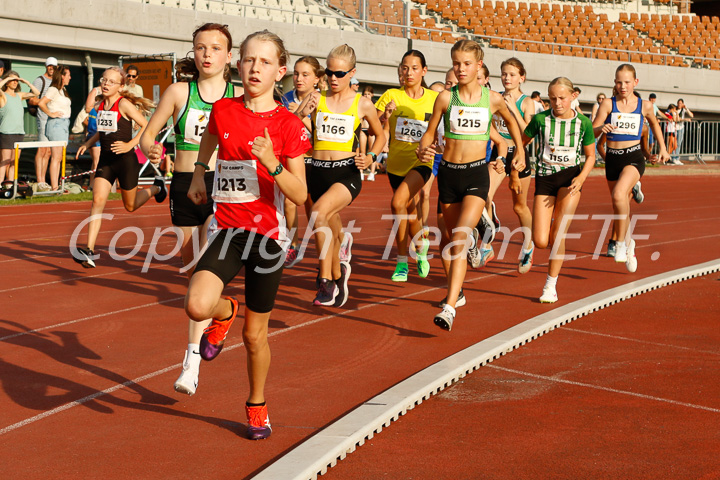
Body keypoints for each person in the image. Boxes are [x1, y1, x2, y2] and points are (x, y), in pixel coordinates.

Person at [184, 30, 311, 440]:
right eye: (248, 60)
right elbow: (209, 136)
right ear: (238, 64)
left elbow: (300, 193)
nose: (255, 68)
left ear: (281, 70)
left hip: (268, 238)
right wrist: (200, 172)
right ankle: (224, 310)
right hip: (228, 229)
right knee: (196, 304)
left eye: (264, 62)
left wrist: (273, 163)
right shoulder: (222, 110)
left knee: (255, 337)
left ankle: (256, 404)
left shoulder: (289, 125)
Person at [139, 23, 241, 396]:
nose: (207, 54)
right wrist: (152, 149)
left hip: (224, 187)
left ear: (229, 56)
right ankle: (225, 309)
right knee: (190, 277)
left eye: (216, 48)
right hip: (185, 186)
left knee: (202, 268)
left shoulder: (238, 96)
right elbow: (149, 135)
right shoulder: (179, 91)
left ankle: (191, 360)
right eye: (200, 47)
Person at [418, 39, 525, 331]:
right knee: (454, 242)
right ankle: (480, 230)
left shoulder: (491, 98)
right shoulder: (445, 98)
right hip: (449, 177)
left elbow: (512, 124)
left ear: (479, 65)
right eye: (456, 63)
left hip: (477, 174)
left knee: (460, 239)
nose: (460, 69)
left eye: (466, 64)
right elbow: (429, 134)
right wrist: (422, 148)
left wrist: (520, 152)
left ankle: (450, 307)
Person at [295, 44, 385, 307]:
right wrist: (301, 112)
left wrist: (371, 157)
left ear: (352, 73)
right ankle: (338, 273)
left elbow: (379, 137)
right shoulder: (316, 99)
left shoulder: (363, 104)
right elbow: (292, 127)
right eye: (330, 72)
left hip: (346, 173)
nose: (333, 78)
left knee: (319, 213)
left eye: (340, 73)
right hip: (317, 172)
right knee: (327, 227)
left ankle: (325, 279)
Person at [72, 67, 163, 267]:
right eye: (103, 80)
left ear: (121, 87)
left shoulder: (124, 105)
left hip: (125, 161)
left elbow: (147, 126)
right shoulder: (100, 105)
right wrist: (88, 143)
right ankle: (89, 250)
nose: (105, 84)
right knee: (97, 200)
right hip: (106, 160)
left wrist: (130, 144)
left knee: (130, 206)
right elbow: (103, 131)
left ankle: (157, 188)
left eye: (111, 82)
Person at [522, 77, 596, 303]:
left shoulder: (583, 123)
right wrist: (511, 160)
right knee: (542, 240)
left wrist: (582, 178)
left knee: (560, 233)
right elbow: (521, 142)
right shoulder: (541, 119)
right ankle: (550, 235)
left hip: (570, 178)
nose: (557, 103)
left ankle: (550, 286)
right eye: (552, 98)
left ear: (573, 96)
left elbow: (591, 156)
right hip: (544, 180)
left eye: (562, 98)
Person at [592, 63, 669, 272]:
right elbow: (593, 130)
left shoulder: (644, 105)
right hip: (612, 160)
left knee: (619, 195)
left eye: (627, 82)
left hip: (633, 158)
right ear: (614, 83)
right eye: (619, 82)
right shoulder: (608, 104)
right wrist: (601, 127)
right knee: (620, 205)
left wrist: (663, 148)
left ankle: (621, 244)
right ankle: (630, 243)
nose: (622, 86)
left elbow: (654, 124)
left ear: (635, 82)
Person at [375, 50, 437, 282]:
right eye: (404, 67)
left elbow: (442, 133)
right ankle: (421, 251)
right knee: (409, 213)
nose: (408, 72)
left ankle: (402, 262)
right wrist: (385, 117)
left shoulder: (433, 98)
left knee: (397, 203)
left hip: (421, 163)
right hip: (395, 166)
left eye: (413, 68)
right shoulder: (391, 95)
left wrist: (434, 148)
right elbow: (373, 126)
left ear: (424, 70)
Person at [481, 57, 535, 274]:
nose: (507, 78)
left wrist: (512, 108)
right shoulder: (495, 98)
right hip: (500, 152)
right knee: (484, 195)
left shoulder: (527, 101)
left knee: (519, 206)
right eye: (504, 74)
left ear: (522, 77)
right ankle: (486, 243)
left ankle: (528, 245)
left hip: (519, 155)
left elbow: (528, 135)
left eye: (512, 74)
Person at [281, 55, 323, 268]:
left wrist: (299, 116)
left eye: (305, 75)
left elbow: (320, 136)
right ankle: (293, 246)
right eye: (296, 74)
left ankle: (328, 247)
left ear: (316, 79)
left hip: (315, 160)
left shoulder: (323, 101)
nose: (299, 78)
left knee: (313, 208)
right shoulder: (285, 98)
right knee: (289, 202)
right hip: (293, 158)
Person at [37, 65, 72, 191]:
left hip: (63, 124)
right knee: (56, 157)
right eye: (68, 75)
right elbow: (41, 103)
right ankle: (55, 187)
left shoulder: (62, 90)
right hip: (56, 124)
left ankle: (56, 185)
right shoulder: (53, 89)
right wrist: (51, 114)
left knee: (59, 157)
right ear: (62, 76)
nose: (70, 78)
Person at [0, 72, 40, 182]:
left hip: (19, 133)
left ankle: (10, 184)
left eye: (16, 80)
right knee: (5, 161)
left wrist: (25, 81)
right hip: (7, 133)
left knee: (14, 162)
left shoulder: (19, 95)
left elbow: (37, 92)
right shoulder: (2, 95)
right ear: (7, 82)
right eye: (12, 80)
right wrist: (7, 78)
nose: (15, 82)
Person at [29, 57, 56, 191]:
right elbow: (31, 99)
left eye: (54, 66)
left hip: (54, 120)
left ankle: (44, 182)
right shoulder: (40, 80)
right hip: (43, 118)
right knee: (42, 149)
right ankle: (40, 181)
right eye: (50, 66)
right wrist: (42, 102)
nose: (52, 68)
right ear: (46, 66)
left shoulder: (56, 81)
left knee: (49, 151)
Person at [673, 98, 693, 165]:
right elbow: (677, 119)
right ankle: (673, 158)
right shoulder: (675, 109)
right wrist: (685, 119)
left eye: (681, 103)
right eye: (678, 103)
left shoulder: (683, 110)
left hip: (681, 128)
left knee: (679, 143)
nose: (679, 104)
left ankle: (677, 158)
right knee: (674, 144)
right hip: (674, 128)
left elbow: (691, 115)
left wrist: (686, 108)